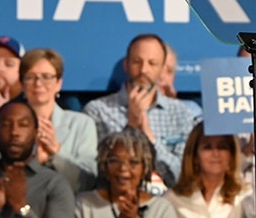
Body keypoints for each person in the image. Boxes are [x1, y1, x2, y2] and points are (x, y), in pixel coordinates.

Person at [83, 34, 200, 189]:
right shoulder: (97, 111)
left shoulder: (181, 113)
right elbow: (93, 174)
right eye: (137, 62)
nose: (144, 70)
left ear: (162, 68)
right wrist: (130, 128)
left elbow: (182, 176)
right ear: (126, 64)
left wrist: (149, 136)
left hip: (168, 205)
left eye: (152, 63)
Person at [0, 48, 97, 193]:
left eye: (46, 77)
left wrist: (56, 153)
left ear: (58, 83)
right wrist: (33, 161)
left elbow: (88, 181)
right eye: (31, 77)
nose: (38, 83)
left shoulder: (81, 125)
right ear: (22, 84)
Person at [159, 42, 203, 118]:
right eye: (158, 69)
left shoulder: (192, 111)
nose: (162, 77)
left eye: (169, 71)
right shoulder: (132, 111)